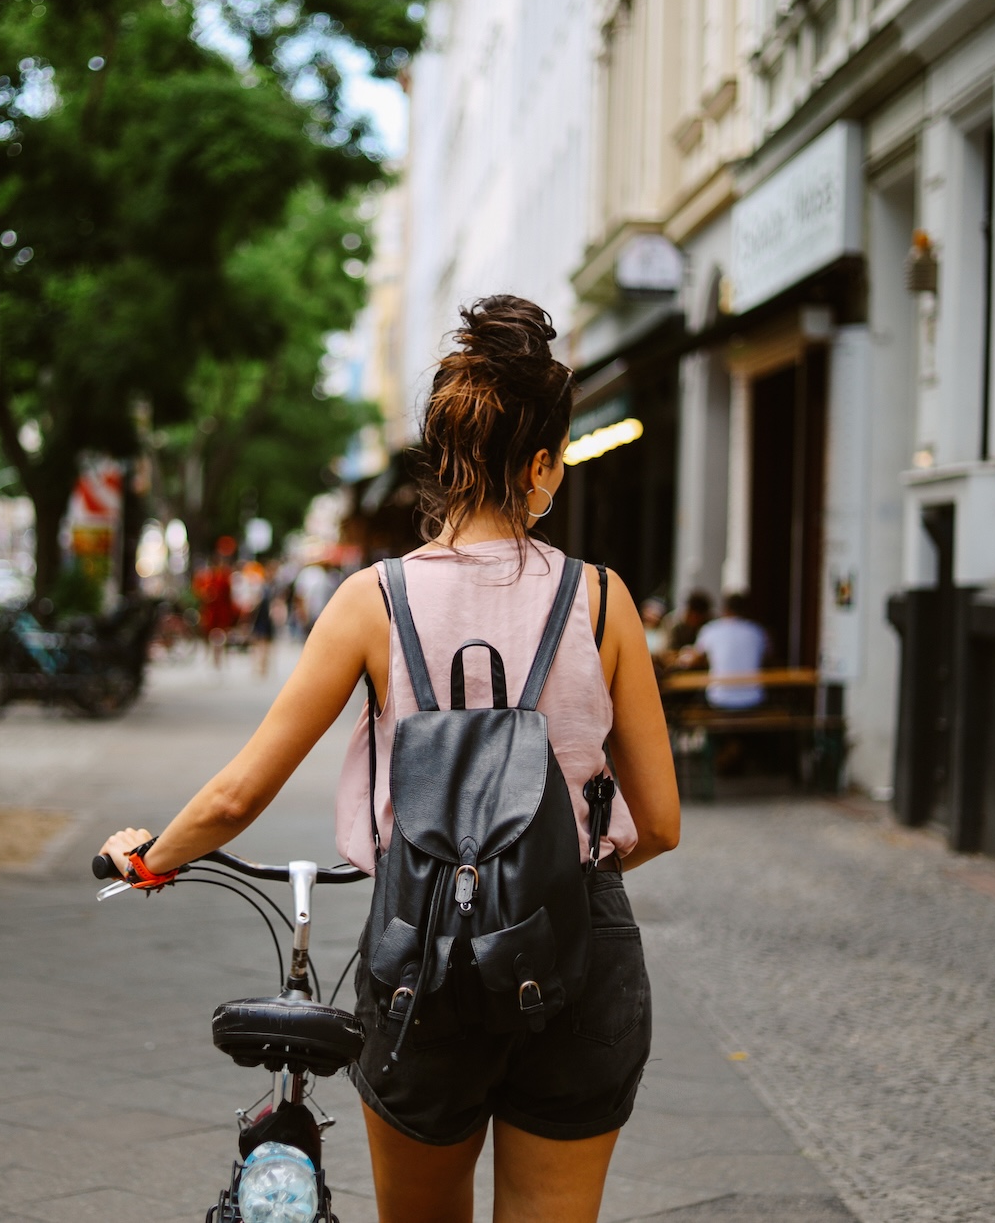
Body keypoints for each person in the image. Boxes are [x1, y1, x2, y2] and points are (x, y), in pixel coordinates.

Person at [99, 295, 680, 1223]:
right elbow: (660, 823)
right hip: (575, 956)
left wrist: (148, 856)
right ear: (539, 465)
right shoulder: (603, 602)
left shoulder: (371, 601)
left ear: (445, 455)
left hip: (424, 955)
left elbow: (242, 789)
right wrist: (550, 879)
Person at [685, 592, 768, 709]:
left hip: (719, 698)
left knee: (694, 699)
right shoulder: (757, 631)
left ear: (725, 609)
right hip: (753, 698)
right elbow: (766, 658)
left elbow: (693, 660)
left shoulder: (711, 629)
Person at [667, 589, 712, 657]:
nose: (694, 619)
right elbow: (668, 653)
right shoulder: (674, 625)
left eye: (697, 617)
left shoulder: (710, 626)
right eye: (691, 615)